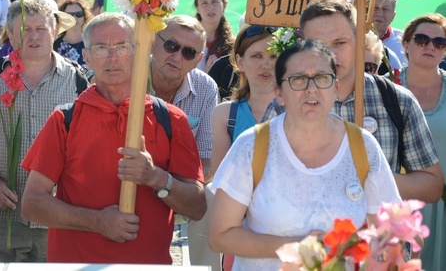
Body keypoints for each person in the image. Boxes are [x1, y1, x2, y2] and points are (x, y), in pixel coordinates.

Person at [21, 12, 206, 264]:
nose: (112, 56)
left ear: (138, 52)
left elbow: (197, 207)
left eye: (122, 46)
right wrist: (97, 222)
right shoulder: (64, 120)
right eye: (101, 48)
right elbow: (32, 204)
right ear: (86, 57)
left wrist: (155, 177)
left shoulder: (171, 120)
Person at [209, 40, 401, 271]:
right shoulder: (252, 146)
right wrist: (300, 248)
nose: (312, 89)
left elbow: (389, 229)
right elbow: (220, 235)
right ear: (279, 93)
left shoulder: (363, 146)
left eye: (322, 78)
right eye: (298, 79)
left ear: (335, 88)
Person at [262, 0, 444, 203]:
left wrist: (371, 177)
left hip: (373, 234)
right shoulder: (284, 104)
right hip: (303, 234)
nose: (330, 53)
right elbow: (259, 183)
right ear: (303, 45)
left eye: (340, 42)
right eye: (318, 44)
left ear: (359, 41)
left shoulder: (397, 100)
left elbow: (431, 187)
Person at [0, 0, 87, 262]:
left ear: (54, 32)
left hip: (56, 217)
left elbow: (88, 146)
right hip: (0, 217)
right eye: (24, 30)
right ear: (10, 35)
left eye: (41, 28)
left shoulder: (77, 80)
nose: (33, 36)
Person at [148, 15, 218, 268]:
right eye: (171, 46)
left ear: (198, 60)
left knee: (212, 196)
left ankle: (205, 267)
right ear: (154, 43)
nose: (177, 57)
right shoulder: (129, 76)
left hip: (180, 184)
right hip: (129, 178)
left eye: (188, 52)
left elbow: (207, 157)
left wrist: (170, 186)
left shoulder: (206, 87)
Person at [209, 24, 278, 270]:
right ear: (239, 61)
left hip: (290, 229)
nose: (265, 64)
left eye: (273, 55)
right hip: (241, 234)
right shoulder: (225, 115)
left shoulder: (300, 112)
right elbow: (221, 181)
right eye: (256, 56)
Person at [399, 13, 446, 270]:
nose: (430, 46)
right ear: (406, 44)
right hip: (397, 206)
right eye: (422, 39)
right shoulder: (383, 88)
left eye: (439, 43)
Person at [194, 0, 235, 72]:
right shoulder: (186, 39)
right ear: (198, 8)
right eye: (204, 3)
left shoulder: (233, 45)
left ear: (224, 5)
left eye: (214, 2)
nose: (210, 7)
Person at [54, 0, 93, 69]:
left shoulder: (92, 43)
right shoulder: (54, 45)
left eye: (78, 14)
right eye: (70, 15)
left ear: (84, 17)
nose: (74, 18)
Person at [371, 0, 406, 66]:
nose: (380, 14)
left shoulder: (405, 41)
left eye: (385, 9)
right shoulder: (353, 38)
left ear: (393, 16)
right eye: (375, 8)